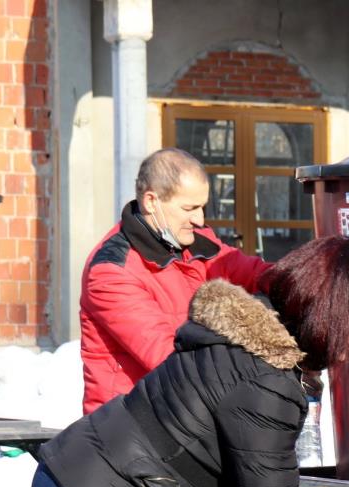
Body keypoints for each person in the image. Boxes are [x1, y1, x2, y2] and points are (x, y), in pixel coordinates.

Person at [30, 236, 349, 487]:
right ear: (325, 322)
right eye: (346, 343)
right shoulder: (265, 380)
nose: (342, 357)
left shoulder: (246, 346)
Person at [79, 148, 271, 414]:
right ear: (151, 202)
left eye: (203, 207)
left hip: (185, 415)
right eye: (189, 208)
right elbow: (168, 357)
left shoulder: (196, 241)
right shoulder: (112, 271)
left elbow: (257, 273)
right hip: (128, 429)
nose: (200, 219)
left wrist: (308, 278)